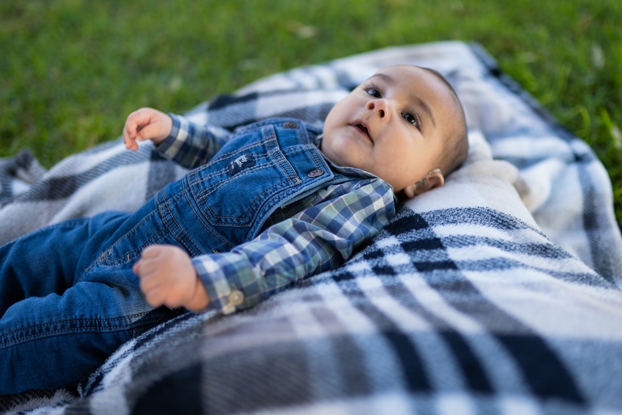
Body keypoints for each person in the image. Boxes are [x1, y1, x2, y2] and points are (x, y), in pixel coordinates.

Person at [0, 65, 468, 394]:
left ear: (422, 183)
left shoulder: (361, 197)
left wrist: (200, 281)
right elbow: (223, 149)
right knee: (30, 257)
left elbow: (286, 253)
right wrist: (172, 131)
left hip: (146, 290)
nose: (380, 107)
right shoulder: (295, 132)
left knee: (43, 329)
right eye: (374, 89)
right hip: (122, 229)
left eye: (411, 118)